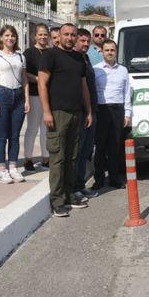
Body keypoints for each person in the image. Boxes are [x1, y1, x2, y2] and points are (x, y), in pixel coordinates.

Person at [38, 23, 93, 217]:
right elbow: (42, 84)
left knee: (72, 157)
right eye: (66, 34)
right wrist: (46, 111)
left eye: (73, 35)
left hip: (76, 113)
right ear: (59, 36)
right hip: (57, 113)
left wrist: (88, 111)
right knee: (58, 158)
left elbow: (83, 86)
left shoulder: (79, 58)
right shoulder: (50, 56)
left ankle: (70, 195)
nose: (70, 38)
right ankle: (57, 201)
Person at [0, 25, 30, 184]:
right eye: (6, 35)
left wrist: (26, 99)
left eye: (12, 35)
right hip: (1, 94)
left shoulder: (20, 57)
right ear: (1, 38)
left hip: (18, 96)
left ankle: (13, 166)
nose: (10, 38)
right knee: (1, 136)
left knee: (14, 136)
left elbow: (25, 80)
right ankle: (2, 169)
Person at [92, 39, 132, 190]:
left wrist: (127, 113)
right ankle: (99, 179)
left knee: (115, 146)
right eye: (107, 50)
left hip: (118, 110)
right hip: (101, 110)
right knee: (100, 146)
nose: (109, 53)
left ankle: (114, 178)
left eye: (112, 50)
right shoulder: (96, 69)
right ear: (102, 51)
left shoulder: (123, 70)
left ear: (116, 52)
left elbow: (127, 92)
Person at [73, 28, 99, 201]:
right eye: (82, 41)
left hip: (91, 111)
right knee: (78, 150)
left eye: (87, 41)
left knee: (86, 152)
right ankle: (74, 188)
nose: (85, 44)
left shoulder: (87, 58)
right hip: (80, 112)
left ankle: (81, 185)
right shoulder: (73, 59)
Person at [23, 23, 50, 172]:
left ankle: (46, 158)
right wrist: (39, 79)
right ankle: (28, 158)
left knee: (46, 128)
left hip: (48, 95)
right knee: (32, 128)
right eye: (40, 34)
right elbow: (24, 73)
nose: (43, 37)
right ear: (35, 36)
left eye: (45, 34)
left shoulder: (51, 52)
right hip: (34, 94)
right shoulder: (29, 52)